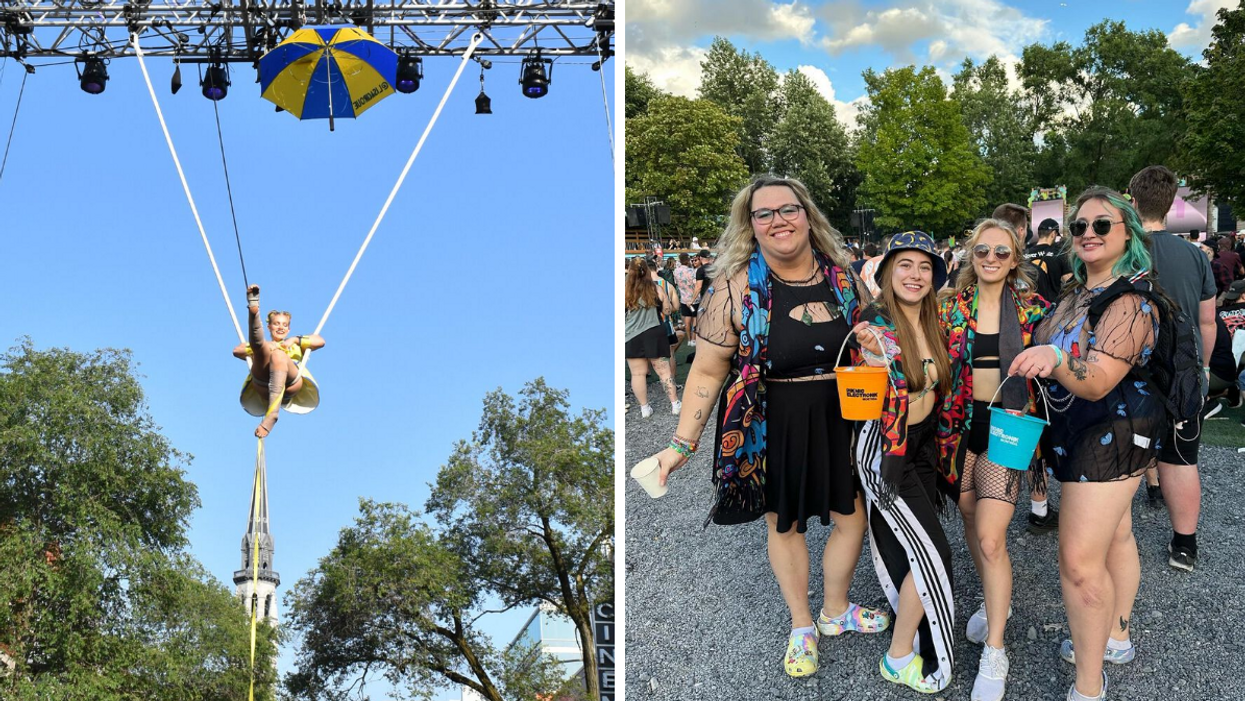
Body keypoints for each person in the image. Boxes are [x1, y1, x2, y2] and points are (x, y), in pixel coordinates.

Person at [649, 176, 889, 679]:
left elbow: (876, 335)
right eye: (765, 214)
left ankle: (834, 611)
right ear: (750, 226)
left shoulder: (844, 277)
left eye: (789, 209)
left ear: (807, 216)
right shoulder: (734, 288)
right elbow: (709, 370)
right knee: (785, 523)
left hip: (844, 415)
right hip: (772, 419)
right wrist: (680, 444)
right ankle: (802, 624)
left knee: (852, 517)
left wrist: (877, 342)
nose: (779, 220)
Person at [1010, 186, 1163, 701]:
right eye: (1080, 227)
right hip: (1083, 428)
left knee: (1077, 562)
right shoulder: (1080, 291)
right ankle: (1116, 637)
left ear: (1129, 233)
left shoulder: (1133, 299)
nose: (1088, 234)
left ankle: (1088, 687)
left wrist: (1052, 359)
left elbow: (1097, 379)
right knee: (1116, 535)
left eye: (1102, 225)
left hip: (1112, 430)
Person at [936, 219, 1050, 701]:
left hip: (1007, 429)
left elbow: (1063, 360)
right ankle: (990, 599)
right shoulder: (947, 308)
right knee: (969, 519)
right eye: (982, 250)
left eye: (1002, 252)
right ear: (969, 253)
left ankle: (996, 651)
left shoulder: (1033, 310)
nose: (991, 258)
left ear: (1015, 258)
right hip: (957, 429)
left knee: (990, 536)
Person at [853, 231, 956, 694]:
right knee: (935, 553)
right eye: (905, 265)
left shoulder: (935, 319)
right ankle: (899, 655)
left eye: (924, 267)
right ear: (887, 271)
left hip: (921, 445)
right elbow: (878, 389)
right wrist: (871, 355)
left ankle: (913, 632)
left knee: (912, 546)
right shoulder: (875, 323)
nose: (915, 275)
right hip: (886, 449)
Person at [1129, 165, 1216, 572]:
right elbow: (1207, 322)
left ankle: (1112, 533)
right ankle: (1184, 545)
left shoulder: (1122, 249)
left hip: (1129, 369)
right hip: (1183, 369)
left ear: (1132, 200)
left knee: (1118, 452)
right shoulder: (1195, 255)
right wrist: (1202, 365)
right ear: (1171, 205)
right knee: (1182, 458)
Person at [232, 285, 324, 438]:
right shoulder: (266, 346)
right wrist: (266, 347)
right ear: (269, 326)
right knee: (261, 348)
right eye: (276, 324)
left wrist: (295, 340)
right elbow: (237, 351)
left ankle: (272, 415)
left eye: (284, 325)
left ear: (288, 329)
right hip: (263, 384)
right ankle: (254, 312)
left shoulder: (294, 344)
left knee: (278, 356)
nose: (281, 327)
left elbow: (320, 341)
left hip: (291, 383)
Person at [625, 257, 680, 418]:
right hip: (654, 332)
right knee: (664, 371)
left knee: (637, 374)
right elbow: (668, 310)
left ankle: (645, 408)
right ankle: (675, 404)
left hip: (631, 335)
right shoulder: (656, 289)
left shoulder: (623, 290)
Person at [1026, 218, 1071, 303]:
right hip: (1050, 308)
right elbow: (1069, 281)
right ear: (1053, 234)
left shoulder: (1024, 254)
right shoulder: (1059, 254)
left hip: (1027, 307)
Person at [674, 252, 699, 345]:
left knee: (687, 320)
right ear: (688, 260)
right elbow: (695, 284)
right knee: (695, 319)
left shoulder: (676, 271)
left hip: (684, 298)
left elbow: (676, 283)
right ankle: (693, 339)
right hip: (694, 298)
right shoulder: (692, 271)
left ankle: (688, 340)